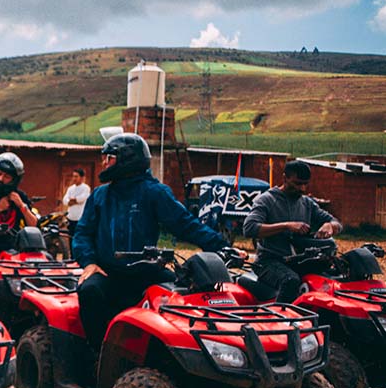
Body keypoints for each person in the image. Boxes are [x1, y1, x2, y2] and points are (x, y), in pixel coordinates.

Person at [72, 133, 230, 349]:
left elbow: (185, 224)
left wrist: (221, 246)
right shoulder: (100, 196)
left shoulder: (154, 192)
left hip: (146, 271)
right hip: (107, 272)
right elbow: (82, 233)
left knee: (185, 293)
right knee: (89, 292)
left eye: (109, 157)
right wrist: (89, 262)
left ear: (127, 158)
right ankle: (98, 352)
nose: (104, 162)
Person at [243, 160, 342, 302]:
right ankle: (282, 320)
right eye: (297, 183)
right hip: (269, 262)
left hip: (301, 262)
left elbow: (337, 222)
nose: (302, 188)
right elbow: (249, 228)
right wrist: (286, 225)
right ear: (285, 178)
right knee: (290, 281)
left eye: (305, 184)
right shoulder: (267, 200)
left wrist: (330, 225)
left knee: (328, 281)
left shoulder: (307, 203)